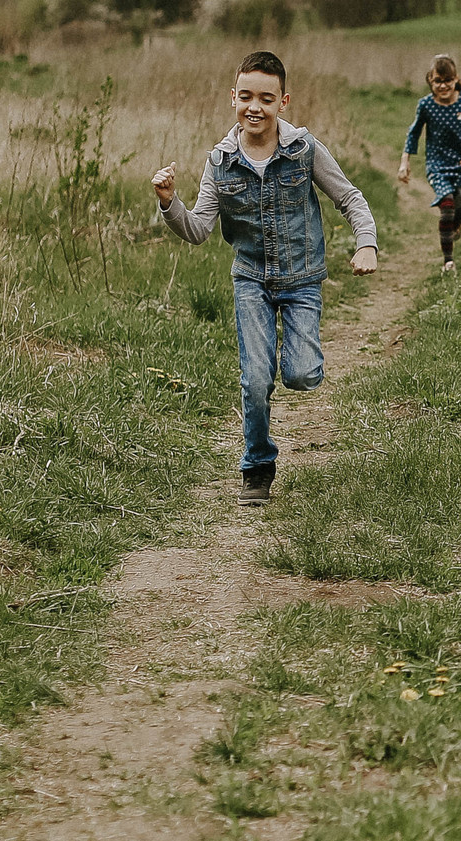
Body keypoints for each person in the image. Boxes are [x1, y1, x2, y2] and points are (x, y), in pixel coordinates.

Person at [152, 50, 378, 507]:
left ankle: (295, 359)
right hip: (251, 280)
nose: (254, 107)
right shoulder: (220, 162)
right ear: (233, 97)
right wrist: (169, 202)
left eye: (266, 99)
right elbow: (197, 230)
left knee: (301, 374)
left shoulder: (304, 150)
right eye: (246, 97)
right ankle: (257, 467)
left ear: (283, 101)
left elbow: (349, 197)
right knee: (255, 379)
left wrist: (366, 243)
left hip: (301, 278)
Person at [396, 53, 461, 272]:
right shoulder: (426, 105)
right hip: (437, 165)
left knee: (460, 201)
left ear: (456, 79)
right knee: (447, 205)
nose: (443, 86)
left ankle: (456, 222)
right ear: (430, 81)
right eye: (438, 81)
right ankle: (448, 261)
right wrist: (404, 161)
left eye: (448, 80)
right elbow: (413, 133)